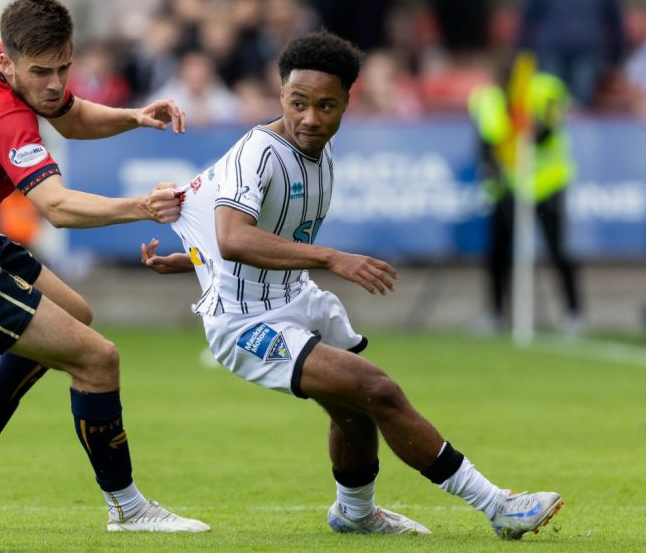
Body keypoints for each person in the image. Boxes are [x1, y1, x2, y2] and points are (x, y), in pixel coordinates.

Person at [141, 31, 562, 539]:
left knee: (356, 413)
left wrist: (190, 259)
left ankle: (355, 514)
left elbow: (227, 227)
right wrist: (333, 257)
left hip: (295, 297)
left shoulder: (322, 151)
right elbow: (233, 238)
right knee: (376, 389)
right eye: (298, 103)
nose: (310, 118)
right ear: (281, 96)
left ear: (345, 103)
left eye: (325, 105)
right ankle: (498, 506)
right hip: (246, 322)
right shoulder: (259, 151)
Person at [0, 0, 208, 533]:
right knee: (97, 359)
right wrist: (140, 207)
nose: (55, 83)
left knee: (74, 315)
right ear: (12, 64)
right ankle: (127, 510)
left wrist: (134, 116)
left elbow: (72, 115)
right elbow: (56, 207)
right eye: (42, 72)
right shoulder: (0, 114)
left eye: (64, 66)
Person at [469, 71, 582, 333]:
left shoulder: (546, 89)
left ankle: (573, 314)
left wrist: (526, 127)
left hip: (547, 183)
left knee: (557, 249)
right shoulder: (487, 99)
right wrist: (491, 164)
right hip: (509, 185)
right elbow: (485, 140)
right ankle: (496, 314)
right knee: (498, 251)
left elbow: (550, 128)